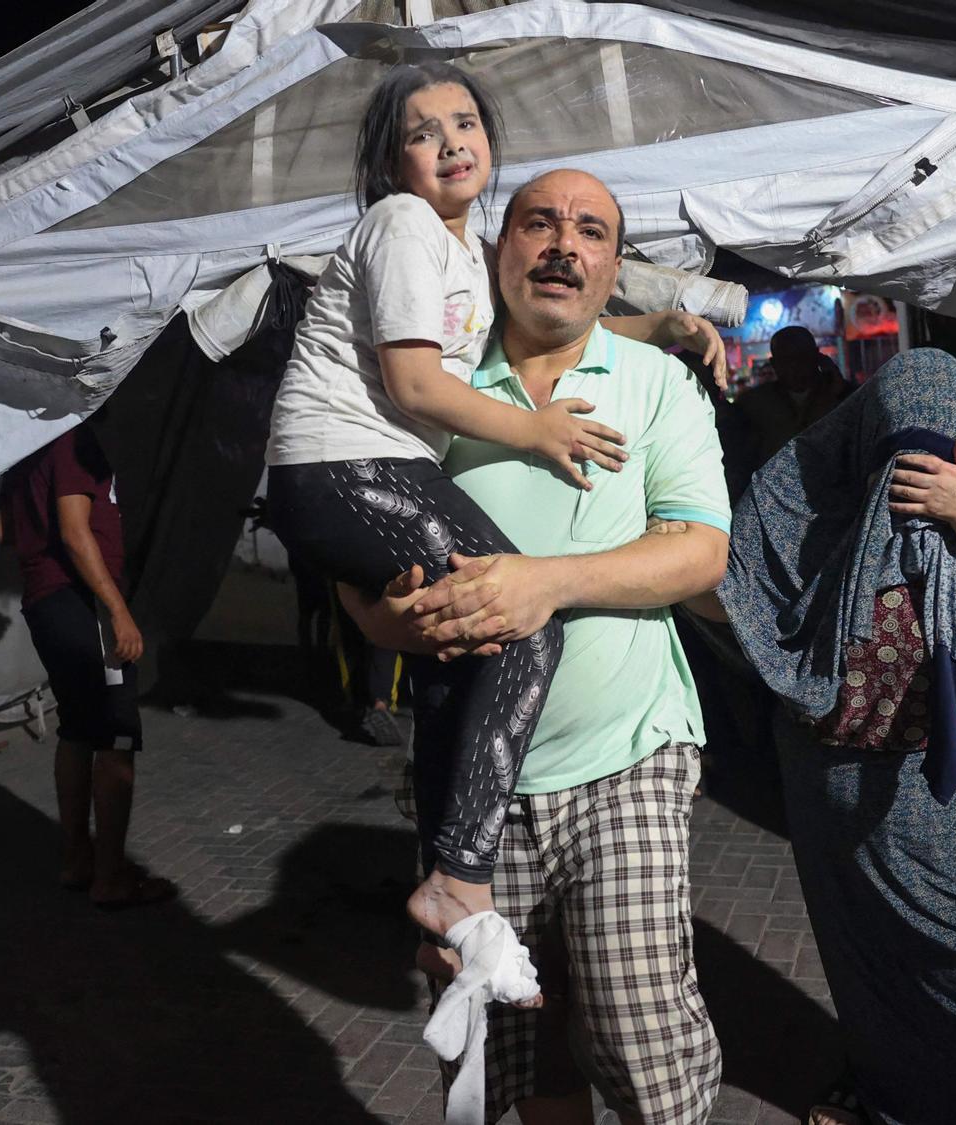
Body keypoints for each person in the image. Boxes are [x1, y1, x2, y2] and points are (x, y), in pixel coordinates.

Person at [261, 63, 721, 971]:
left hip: (615, 750)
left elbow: (544, 323)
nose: (450, 143)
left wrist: (661, 324)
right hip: (345, 463)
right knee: (522, 632)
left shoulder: (461, 260)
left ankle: (451, 877)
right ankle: (460, 882)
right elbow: (414, 384)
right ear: (393, 162)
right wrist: (537, 433)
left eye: (464, 123)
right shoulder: (403, 230)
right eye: (422, 133)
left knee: (475, 651)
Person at [345, 168, 729, 1125]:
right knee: (503, 1035)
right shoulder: (427, 385)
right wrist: (382, 621)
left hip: (627, 754)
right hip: (469, 781)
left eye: (591, 231)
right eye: (540, 223)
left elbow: (701, 550)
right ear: (495, 248)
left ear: (609, 269)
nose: (564, 244)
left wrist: (542, 582)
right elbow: (350, 569)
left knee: (640, 1024)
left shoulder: (653, 382)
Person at [714, 348, 956, 1124]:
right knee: (886, 986)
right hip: (859, 813)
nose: (912, 471)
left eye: (937, 440)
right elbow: (732, 580)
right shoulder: (808, 490)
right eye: (897, 445)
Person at [0, 426, 174, 909]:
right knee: (116, 736)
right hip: (82, 602)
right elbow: (76, 533)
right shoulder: (73, 444)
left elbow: (7, 531)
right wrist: (117, 610)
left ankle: (78, 861)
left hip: (44, 600)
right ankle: (111, 877)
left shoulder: (27, 450)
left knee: (77, 730)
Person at [737, 324, 850, 463]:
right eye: (786, 360)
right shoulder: (753, 404)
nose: (794, 366)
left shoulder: (844, 395)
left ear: (816, 356)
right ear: (775, 363)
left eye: (802, 357)